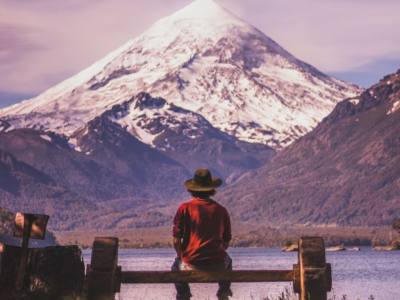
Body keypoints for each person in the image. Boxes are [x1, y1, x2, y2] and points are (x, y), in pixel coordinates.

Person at [171, 168, 233, 300]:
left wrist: (182, 257)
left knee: (175, 267)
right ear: (211, 189)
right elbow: (226, 242)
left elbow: (176, 241)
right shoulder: (222, 210)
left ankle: (183, 295)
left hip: (190, 263)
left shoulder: (184, 208)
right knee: (228, 260)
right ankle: (223, 293)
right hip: (218, 264)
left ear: (192, 189)